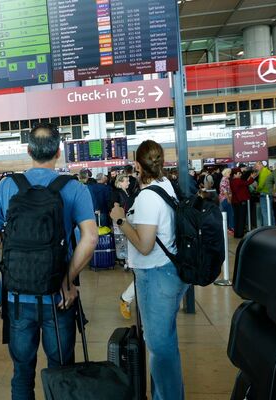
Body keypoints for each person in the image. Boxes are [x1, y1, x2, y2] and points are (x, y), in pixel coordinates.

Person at [0, 123, 99, 400]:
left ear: (28, 151)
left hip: (17, 296)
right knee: (60, 372)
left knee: (22, 371)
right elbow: (90, 238)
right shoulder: (73, 188)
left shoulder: (8, 185)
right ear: (59, 152)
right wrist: (67, 279)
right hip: (59, 297)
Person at [110, 140, 189, 400]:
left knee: (159, 347)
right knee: (165, 342)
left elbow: (144, 245)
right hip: (170, 271)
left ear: (137, 165)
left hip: (156, 275)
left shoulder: (146, 198)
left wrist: (120, 219)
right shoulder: (167, 186)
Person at [112, 173, 135, 320]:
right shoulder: (117, 195)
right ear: (119, 182)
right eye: (125, 181)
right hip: (123, 228)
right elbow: (116, 213)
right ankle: (126, 298)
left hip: (127, 227)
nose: (128, 183)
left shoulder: (127, 193)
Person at [230, 168, 254, 238]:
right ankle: (240, 234)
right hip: (241, 201)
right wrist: (252, 177)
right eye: (239, 173)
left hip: (235, 201)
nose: (240, 175)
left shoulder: (232, 181)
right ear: (234, 174)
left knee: (237, 218)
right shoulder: (238, 180)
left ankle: (236, 234)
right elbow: (248, 183)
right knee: (241, 218)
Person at [253, 162, 275, 226]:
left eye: (257, 166)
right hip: (268, 194)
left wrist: (256, 189)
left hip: (265, 195)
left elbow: (261, 185)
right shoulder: (267, 171)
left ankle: (267, 231)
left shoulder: (264, 172)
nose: (256, 168)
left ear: (261, 165)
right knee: (270, 213)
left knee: (265, 213)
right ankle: (273, 229)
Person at [219, 168, 234, 233]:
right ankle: (230, 228)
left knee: (228, 213)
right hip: (225, 199)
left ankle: (229, 227)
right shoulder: (224, 180)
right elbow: (224, 190)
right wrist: (228, 199)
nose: (230, 174)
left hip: (225, 198)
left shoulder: (226, 179)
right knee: (229, 213)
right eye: (229, 173)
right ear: (225, 173)